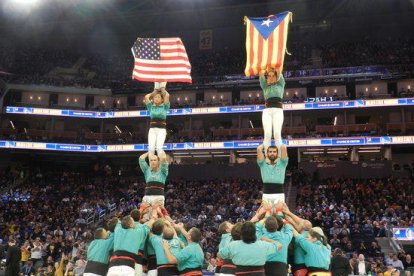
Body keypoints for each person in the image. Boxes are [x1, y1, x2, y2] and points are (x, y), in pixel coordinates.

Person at [107, 207, 158, 276]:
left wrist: (140, 210)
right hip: (128, 267)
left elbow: (119, 222)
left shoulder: (118, 228)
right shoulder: (139, 231)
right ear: (131, 225)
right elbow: (151, 221)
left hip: (113, 267)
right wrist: (154, 209)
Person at [258, 67, 285, 154]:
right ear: (267, 77)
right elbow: (261, 72)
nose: (271, 77)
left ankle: (280, 157)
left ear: (276, 76)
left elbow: (278, 70)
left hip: (278, 111)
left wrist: (272, 67)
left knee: (277, 134)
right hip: (267, 111)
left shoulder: (281, 83)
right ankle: (267, 158)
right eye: (269, 76)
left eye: (273, 75)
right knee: (267, 134)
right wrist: (266, 69)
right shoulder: (265, 85)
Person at [257, 144, 289, 211]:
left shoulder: (283, 163)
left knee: (280, 216)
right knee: (266, 216)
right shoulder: (262, 164)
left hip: (279, 194)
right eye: (270, 151)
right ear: (267, 153)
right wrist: (266, 143)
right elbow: (259, 149)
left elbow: (283, 147)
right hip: (266, 193)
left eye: (274, 152)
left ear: (277, 153)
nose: (272, 153)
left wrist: (278, 142)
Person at [144, 88, 170, 159]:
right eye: (155, 97)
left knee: (159, 148)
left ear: (162, 99)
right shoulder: (150, 107)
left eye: (158, 97)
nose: (156, 98)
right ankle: (152, 167)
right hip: (152, 130)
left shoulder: (165, 106)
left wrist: (162, 89)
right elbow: (146, 97)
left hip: (161, 130)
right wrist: (154, 92)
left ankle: (162, 167)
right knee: (151, 149)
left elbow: (167, 95)